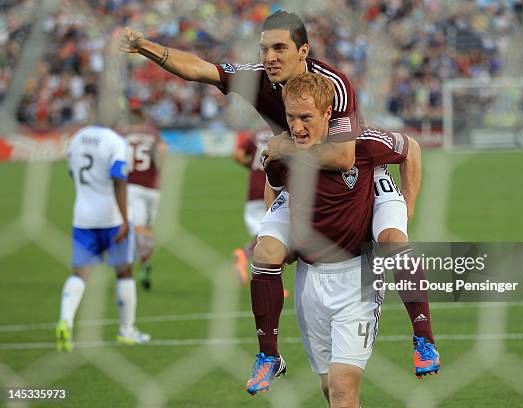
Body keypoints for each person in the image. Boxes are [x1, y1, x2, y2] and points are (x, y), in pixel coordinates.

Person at [119, 10, 437, 389]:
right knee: (265, 251)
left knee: (393, 242)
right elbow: (198, 70)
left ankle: (424, 339)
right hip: (303, 179)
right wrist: (143, 47)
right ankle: (268, 354)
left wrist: (285, 146)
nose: (269, 56)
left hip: (360, 176)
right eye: (265, 48)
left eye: (280, 48)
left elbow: (343, 157)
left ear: (303, 51)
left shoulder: (334, 84)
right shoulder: (258, 80)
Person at [264, 72, 436, 406]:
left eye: (306, 118)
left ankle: (424, 338)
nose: (297, 127)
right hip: (310, 281)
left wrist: (408, 210)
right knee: (330, 389)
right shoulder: (283, 147)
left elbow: (411, 148)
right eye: (291, 117)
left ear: (328, 113)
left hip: (359, 277)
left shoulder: (363, 142)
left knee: (343, 390)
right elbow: (275, 188)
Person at [56, 124, 151, 352]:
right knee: (124, 271)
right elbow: (119, 178)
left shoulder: (77, 138)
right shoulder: (115, 141)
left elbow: (72, 173)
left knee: (80, 274)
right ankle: (126, 331)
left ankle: (65, 320)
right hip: (111, 218)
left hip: (83, 217)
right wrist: (124, 218)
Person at [119, 103, 167, 290]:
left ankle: (138, 260)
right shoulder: (152, 133)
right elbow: (163, 149)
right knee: (148, 227)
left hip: (132, 186)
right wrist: (161, 173)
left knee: (137, 227)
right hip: (153, 187)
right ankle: (145, 261)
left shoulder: (123, 135)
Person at [232, 128, 273, 285]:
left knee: (267, 235)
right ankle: (245, 254)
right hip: (273, 187)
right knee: (275, 235)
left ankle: (245, 255)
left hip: (254, 188)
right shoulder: (284, 132)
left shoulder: (257, 133)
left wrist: (253, 167)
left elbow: (238, 154)